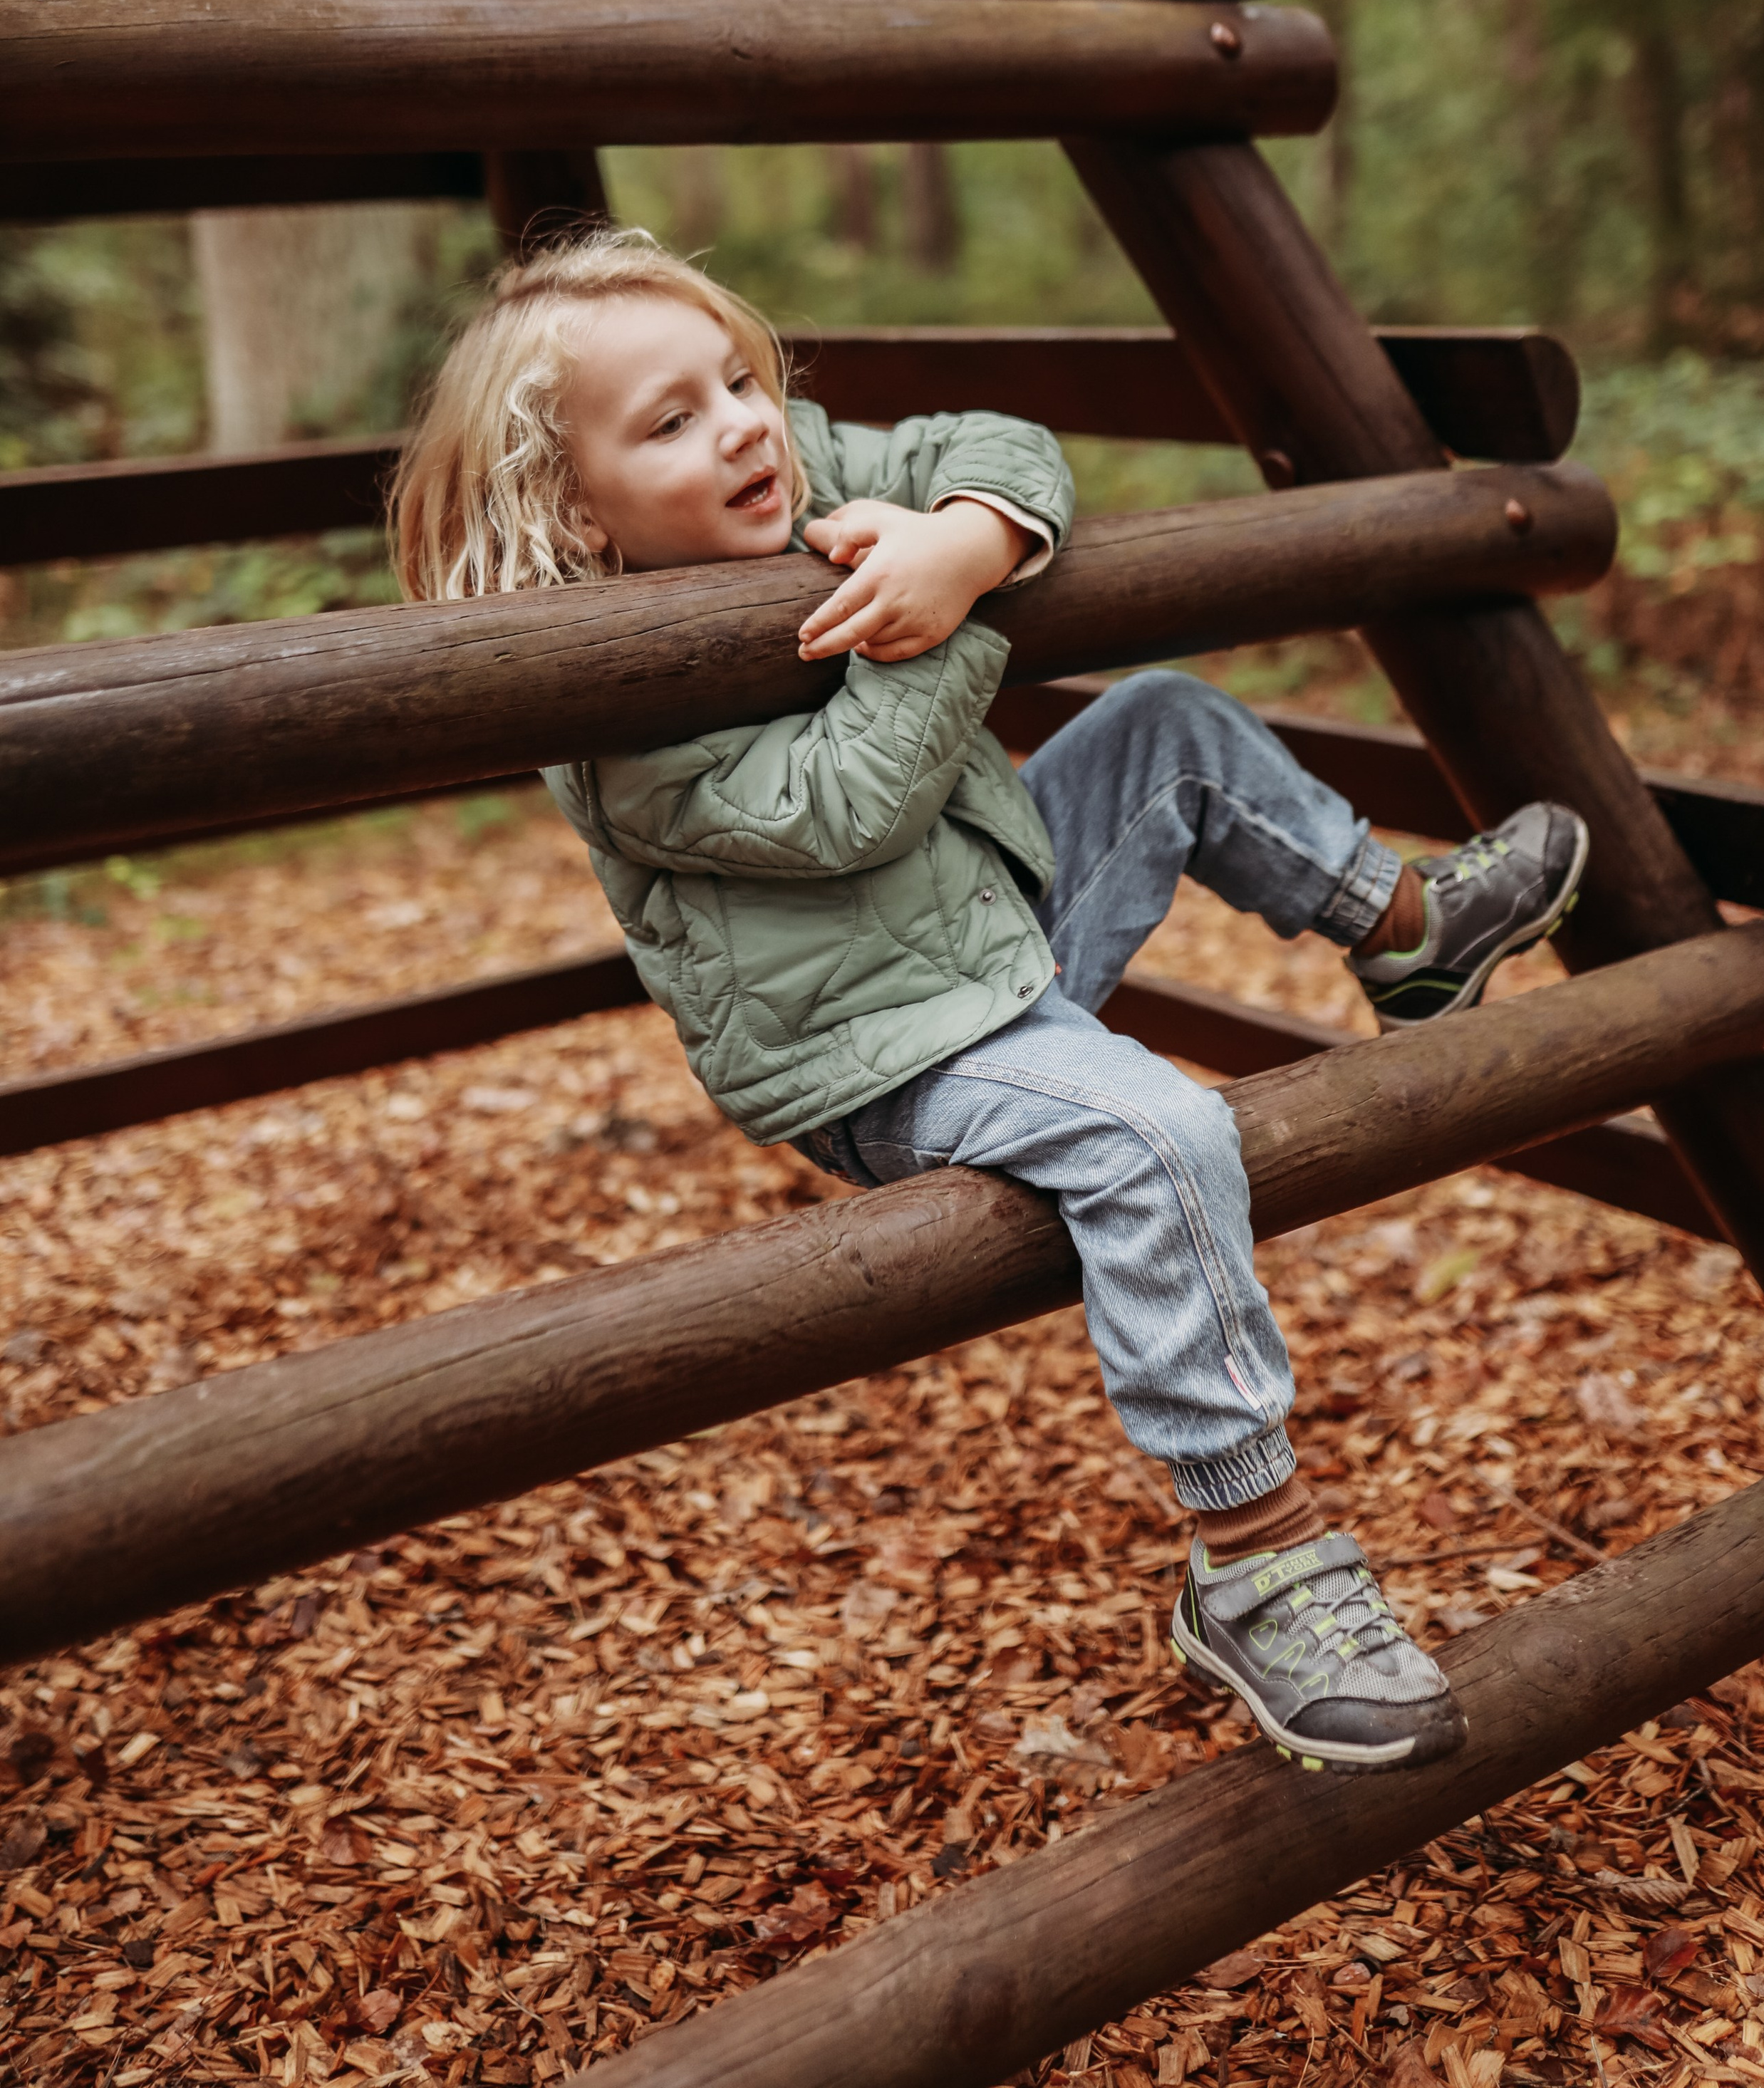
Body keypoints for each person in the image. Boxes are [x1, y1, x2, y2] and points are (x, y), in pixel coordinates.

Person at [393, 230, 1588, 1774]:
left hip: (989, 929)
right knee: (1158, 1133)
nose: (746, 426)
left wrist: (965, 539)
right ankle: (1255, 1556)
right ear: (574, 506)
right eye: (670, 422)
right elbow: (843, 807)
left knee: (1161, 725)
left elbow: (998, 445)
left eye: (737, 380)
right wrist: (941, 626)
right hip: (878, 1059)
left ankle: (1404, 929)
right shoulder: (607, 707)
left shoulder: (799, 468)